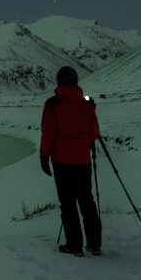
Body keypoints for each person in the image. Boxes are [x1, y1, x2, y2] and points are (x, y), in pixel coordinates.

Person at [39, 65, 102, 256]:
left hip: (62, 163)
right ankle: (95, 245)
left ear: (59, 82)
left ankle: (74, 246)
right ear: (75, 81)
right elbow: (94, 132)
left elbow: (48, 134)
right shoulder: (87, 104)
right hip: (83, 161)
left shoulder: (53, 104)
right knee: (87, 201)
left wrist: (44, 157)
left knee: (68, 203)